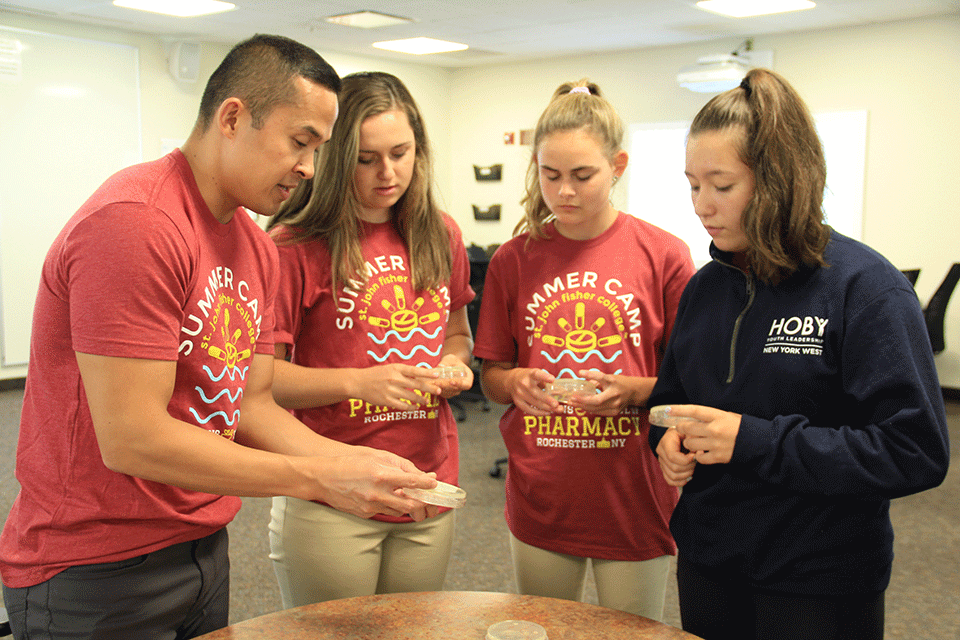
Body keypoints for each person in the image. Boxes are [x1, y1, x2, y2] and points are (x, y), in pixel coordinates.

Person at [0, 35, 439, 639]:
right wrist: (319, 478)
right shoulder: (138, 223)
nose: (311, 168)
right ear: (233, 117)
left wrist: (354, 461)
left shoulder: (253, 244)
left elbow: (252, 401)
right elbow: (133, 439)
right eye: (300, 142)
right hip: (95, 565)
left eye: (319, 148)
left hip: (200, 544)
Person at [648, 68, 950, 640]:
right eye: (692, 185)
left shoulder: (865, 288)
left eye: (722, 185)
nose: (701, 206)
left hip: (819, 578)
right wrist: (667, 440)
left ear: (779, 180)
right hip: (710, 560)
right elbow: (669, 403)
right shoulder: (704, 288)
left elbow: (915, 450)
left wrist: (754, 439)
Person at [473, 80, 696, 619]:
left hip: (633, 490)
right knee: (547, 628)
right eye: (550, 176)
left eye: (582, 176)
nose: (564, 192)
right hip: (545, 490)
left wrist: (634, 391)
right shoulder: (514, 259)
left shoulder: (664, 254)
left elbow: (692, 381)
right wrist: (514, 383)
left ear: (617, 165)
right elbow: (492, 374)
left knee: (635, 631)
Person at [264, 71, 474, 607]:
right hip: (331, 490)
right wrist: (361, 382)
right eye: (366, 158)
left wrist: (456, 364)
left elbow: (455, 332)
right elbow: (264, 385)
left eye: (401, 153)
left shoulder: (438, 231)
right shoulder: (294, 247)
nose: (388, 172)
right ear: (335, 160)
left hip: (427, 481)